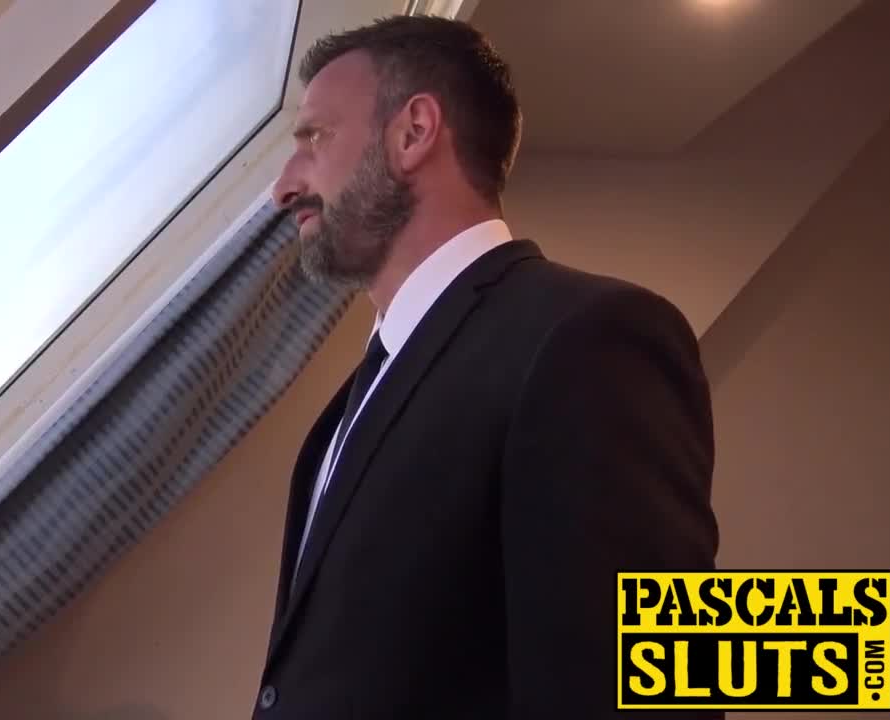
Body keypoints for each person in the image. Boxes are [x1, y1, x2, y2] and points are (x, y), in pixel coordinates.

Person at [254, 14, 721, 719]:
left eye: (313, 137)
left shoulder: (589, 337)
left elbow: (645, 693)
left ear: (413, 132)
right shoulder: (343, 416)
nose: (282, 188)